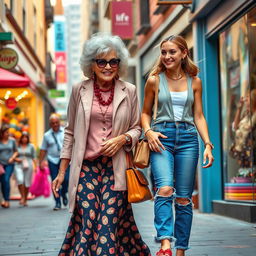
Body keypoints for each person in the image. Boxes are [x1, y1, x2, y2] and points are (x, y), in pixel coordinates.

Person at [52, 32, 151, 255]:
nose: (108, 66)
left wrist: (123, 139)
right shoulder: (79, 90)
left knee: (107, 225)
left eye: (113, 61)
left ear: (120, 63)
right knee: (87, 222)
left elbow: (137, 127)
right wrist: (61, 172)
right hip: (86, 168)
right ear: (92, 64)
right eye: (101, 61)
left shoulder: (130, 90)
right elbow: (70, 133)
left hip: (115, 169)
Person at [141, 35, 214, 256]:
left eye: (172, 52)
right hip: (161, 137)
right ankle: (165, 244)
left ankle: (181, 249)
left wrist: (208, 144)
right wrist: (149, 131)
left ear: (184, 53)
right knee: (164, 189)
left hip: (189, 139)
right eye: (164, 52)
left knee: (183, 197)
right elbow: (145, 113)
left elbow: (199, 116)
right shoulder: (154, 80)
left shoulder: (195, 81)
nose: (167, 56)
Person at [39, 114, 69, 210]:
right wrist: (40, 162)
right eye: (53, 123)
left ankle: (64, 193)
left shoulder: (66, 132)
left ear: (59, 122)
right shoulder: (47, 135)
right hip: (52, 160)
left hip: (64, 160)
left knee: (66, 180)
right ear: (50, 124)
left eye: (57, 122)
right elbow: (43, 149)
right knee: (54, 181)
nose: (55, 124)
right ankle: (57, 202)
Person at [14, 132, 36, 206]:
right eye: (23, 137)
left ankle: (25, 199)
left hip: (28, 164)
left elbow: (34, 157)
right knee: (20, 180)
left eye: (26, 137)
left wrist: (36, 166)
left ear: (28, 138)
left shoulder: (31, 146)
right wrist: (17, 159)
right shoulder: (17, 146)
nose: (24, 139)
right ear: (21, 138)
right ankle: (22, 197)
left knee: (27, 182)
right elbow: (13, 156)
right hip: (18, 164)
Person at [0, 124, 18, 208]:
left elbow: (16, 151)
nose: (8, 134)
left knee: (6, 179)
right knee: (3, 181)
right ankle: (4, 199)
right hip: (1, 164)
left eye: (8, 132)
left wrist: (12, 157)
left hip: (10, 164)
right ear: (2, 133)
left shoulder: (12, 141)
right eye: (6, 132)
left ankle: (7, 200)